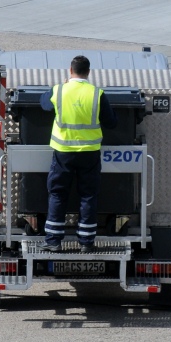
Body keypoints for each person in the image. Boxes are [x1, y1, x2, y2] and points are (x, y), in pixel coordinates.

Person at [38, 55, 117, 253]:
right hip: (89, 154)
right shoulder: (96, 94)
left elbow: (44, 104)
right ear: (88, 72)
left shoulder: (59, 90)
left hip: (63, 153)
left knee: (57, 193)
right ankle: (86, 242)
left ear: (70, 70)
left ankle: (53, 241)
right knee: (88, 196)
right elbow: (111, 122)